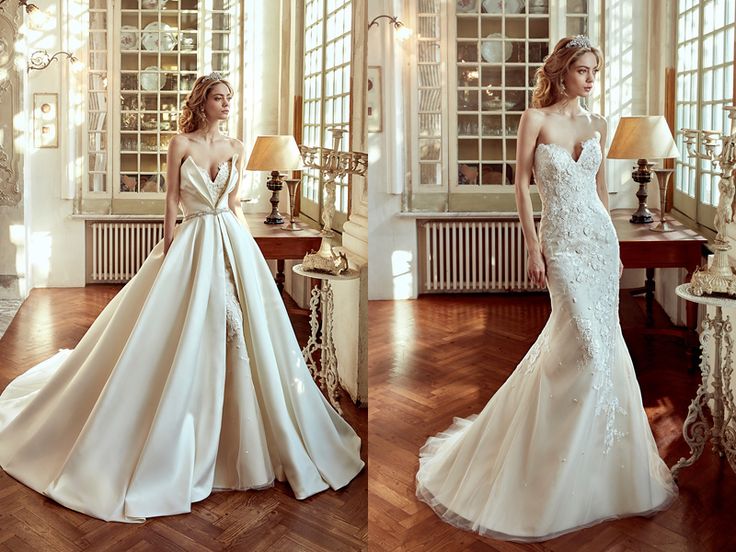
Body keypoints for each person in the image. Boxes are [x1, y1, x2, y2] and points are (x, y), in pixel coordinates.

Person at [0, 72, 364, 523]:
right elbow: (171, 199)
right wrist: (169, 246)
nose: (226, 104)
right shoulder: (181, 145)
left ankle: (254, 435)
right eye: (218, 97)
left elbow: (231, 205)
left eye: (229, 97)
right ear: (202, 102)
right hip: (191, 239)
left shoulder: (235, 146)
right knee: (182, 327)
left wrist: (245, 248)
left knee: (246, 329)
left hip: (230, 237)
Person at [415, 36, 678, 542]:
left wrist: (616, 246)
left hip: (598, 243)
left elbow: (601, 193)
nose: (590, 79)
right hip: (559, 242)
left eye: (593, 71)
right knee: (584, 341)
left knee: (599, 347)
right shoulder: (534, 120)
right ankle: (543, 455)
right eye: (582, 70)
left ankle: (598, 467)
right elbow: (519, 186)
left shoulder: (597, 124)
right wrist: (533, 246)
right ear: (561, 72)